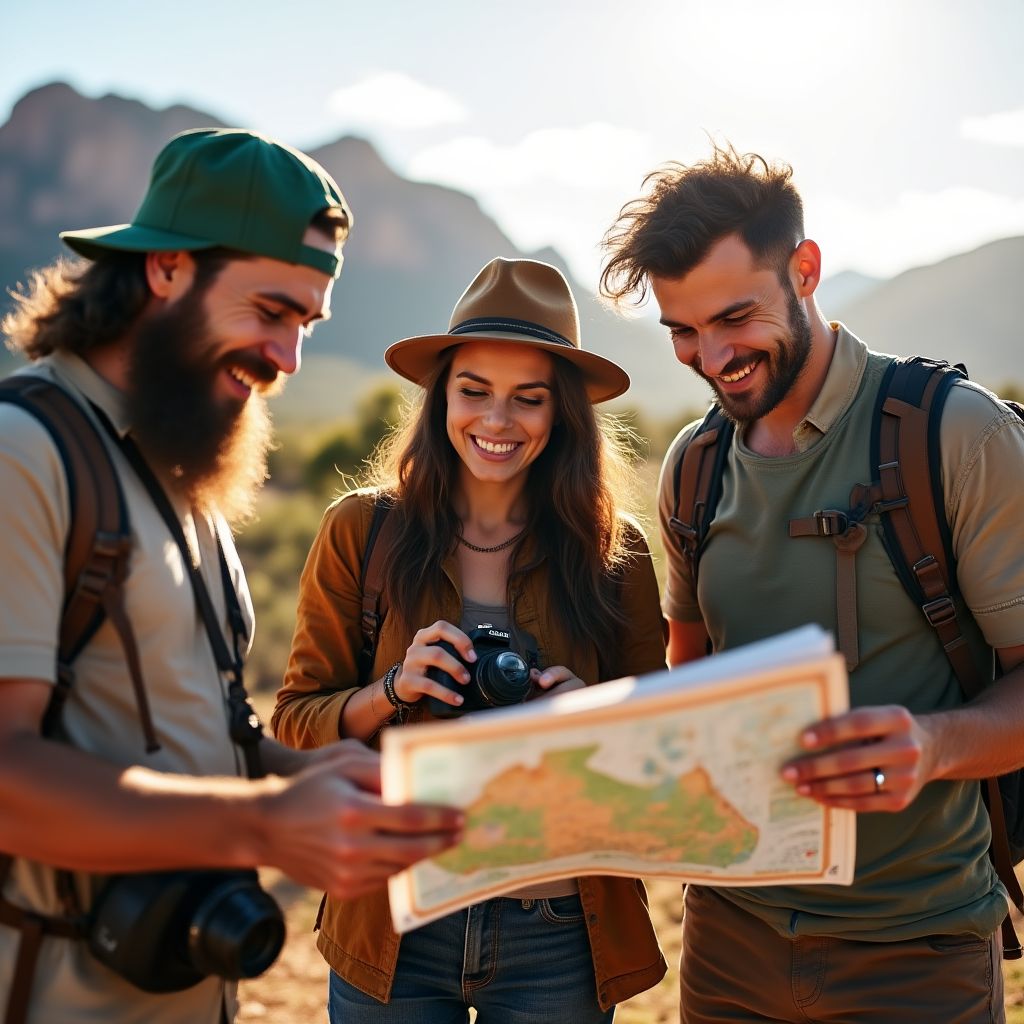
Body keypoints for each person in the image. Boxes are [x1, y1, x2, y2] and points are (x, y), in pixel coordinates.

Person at [0, 127, 462, 1024]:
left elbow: (216, 737)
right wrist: (261, 829)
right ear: (167, 269)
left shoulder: (183, 473)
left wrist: (326, 781)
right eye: (270, 311)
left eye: (306, 326)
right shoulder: (25, 453)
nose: (288, 359)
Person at [600, 144, 1024, 1023]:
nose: (712, 357)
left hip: (919, 949)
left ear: (805, 269)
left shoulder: (956, 435)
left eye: (735, 318)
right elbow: (693, 685)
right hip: (726, 940)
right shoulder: (694, 465)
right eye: (682, 330)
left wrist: (934, 745)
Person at [273, 256, 669, 1022]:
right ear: (439, 398)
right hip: (392, 917)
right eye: (473, 392)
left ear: (562, 416)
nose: (497, 421)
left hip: (557, 932)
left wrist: (596, 714)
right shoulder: (363, 530)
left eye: (529, 399)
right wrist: (393, 689)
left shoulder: (613, 554)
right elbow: (294, 723)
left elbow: (662, 748)